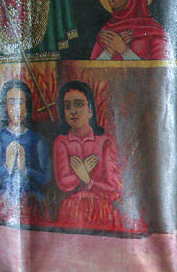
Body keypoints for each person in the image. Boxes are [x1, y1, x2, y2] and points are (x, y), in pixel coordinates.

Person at [51, 80, 123, 229]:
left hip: (102, 209)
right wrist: (81, 174)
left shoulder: (105, 143)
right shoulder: (61, 142)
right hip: (72, 210)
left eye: (78, 104)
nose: (72, 111)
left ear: (90, 110)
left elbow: (115, 190)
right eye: (67, 106)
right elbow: (63, 183)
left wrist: (88, 181)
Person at [0, 79, 52, 208]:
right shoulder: (0, 138)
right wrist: (7, 165)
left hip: (32, 197)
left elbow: (46, 178)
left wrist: (24, 169)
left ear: (27, 106)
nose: (17, 108)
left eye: (21, 102)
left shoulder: (36, 139)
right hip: (5, 196)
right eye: (12, 103)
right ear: (5, 106)